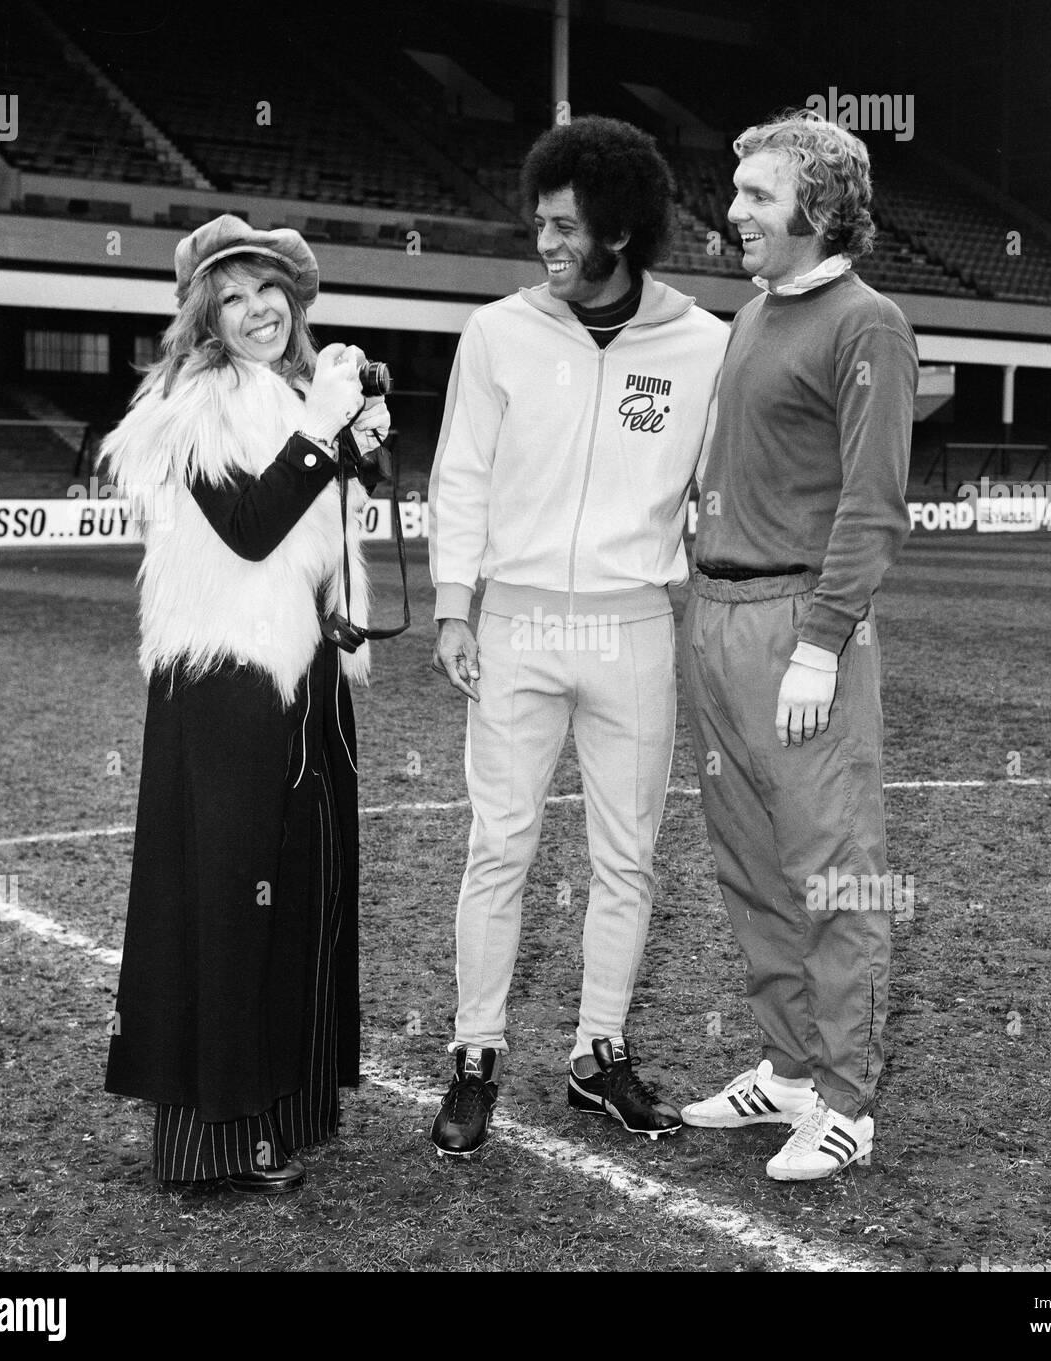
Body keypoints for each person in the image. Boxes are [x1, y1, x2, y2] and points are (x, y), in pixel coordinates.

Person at [426, 116, 729, 1156]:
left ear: (619, 230)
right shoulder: (497, 332)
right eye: (540, 223)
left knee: (628, 858)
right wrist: (454, 603)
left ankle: (600, 1053)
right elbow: (460, 473)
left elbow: (718, 491)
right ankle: (475, 1054)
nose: (544, 242)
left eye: (563, 225)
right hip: (514, 622)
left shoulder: (704, 345)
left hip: (632, 625)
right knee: (498, 848)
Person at [102, 214, 389, 1195]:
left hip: (302, 677)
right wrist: (320, 434)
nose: (258, 307)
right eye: (232, 295)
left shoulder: (287, 395)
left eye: (270, 288)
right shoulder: (196, 402)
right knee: (230, 899)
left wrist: (353, 443)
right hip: (228, 684)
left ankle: (283, 1107)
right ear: (205, 317)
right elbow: (252, 528)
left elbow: (316, 531)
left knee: (298, 887)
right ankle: (217, 1134)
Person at [678, 112, 918, 1181]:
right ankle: (787, 1068)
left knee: (834, 871)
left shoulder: (869, 324)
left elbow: (871, 504)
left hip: (798, 624)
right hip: (714, 614)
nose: (732, 211)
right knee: (751, 863)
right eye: (737, 191)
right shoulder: (751, 314)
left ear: (817, 211)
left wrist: (820, 644)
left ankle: (847, 1101)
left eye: (757, 196)